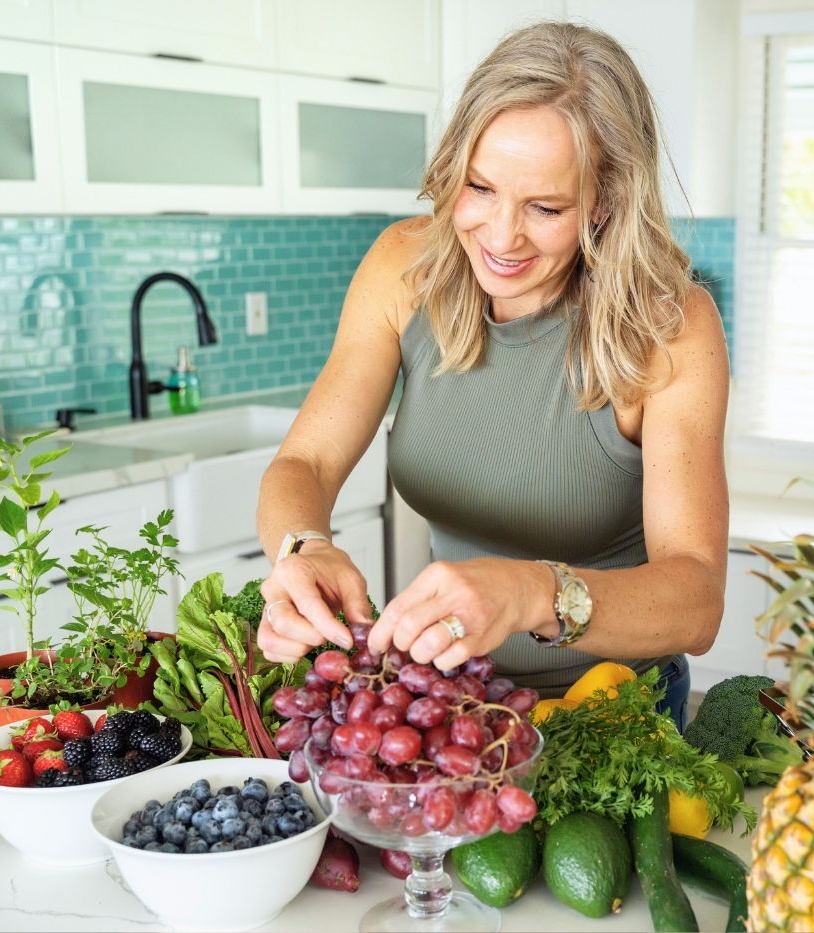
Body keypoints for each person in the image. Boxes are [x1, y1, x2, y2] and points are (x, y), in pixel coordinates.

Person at [254, 21, 729, 729]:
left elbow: (696, 600)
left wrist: (534, 592)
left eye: (545, 207)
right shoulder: (403, 267)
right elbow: (307, 460)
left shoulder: (670, 326)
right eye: (479, 188)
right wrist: (303, 547)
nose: (501, 236)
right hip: (447, 698)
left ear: (603, 201)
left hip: (612, 710)